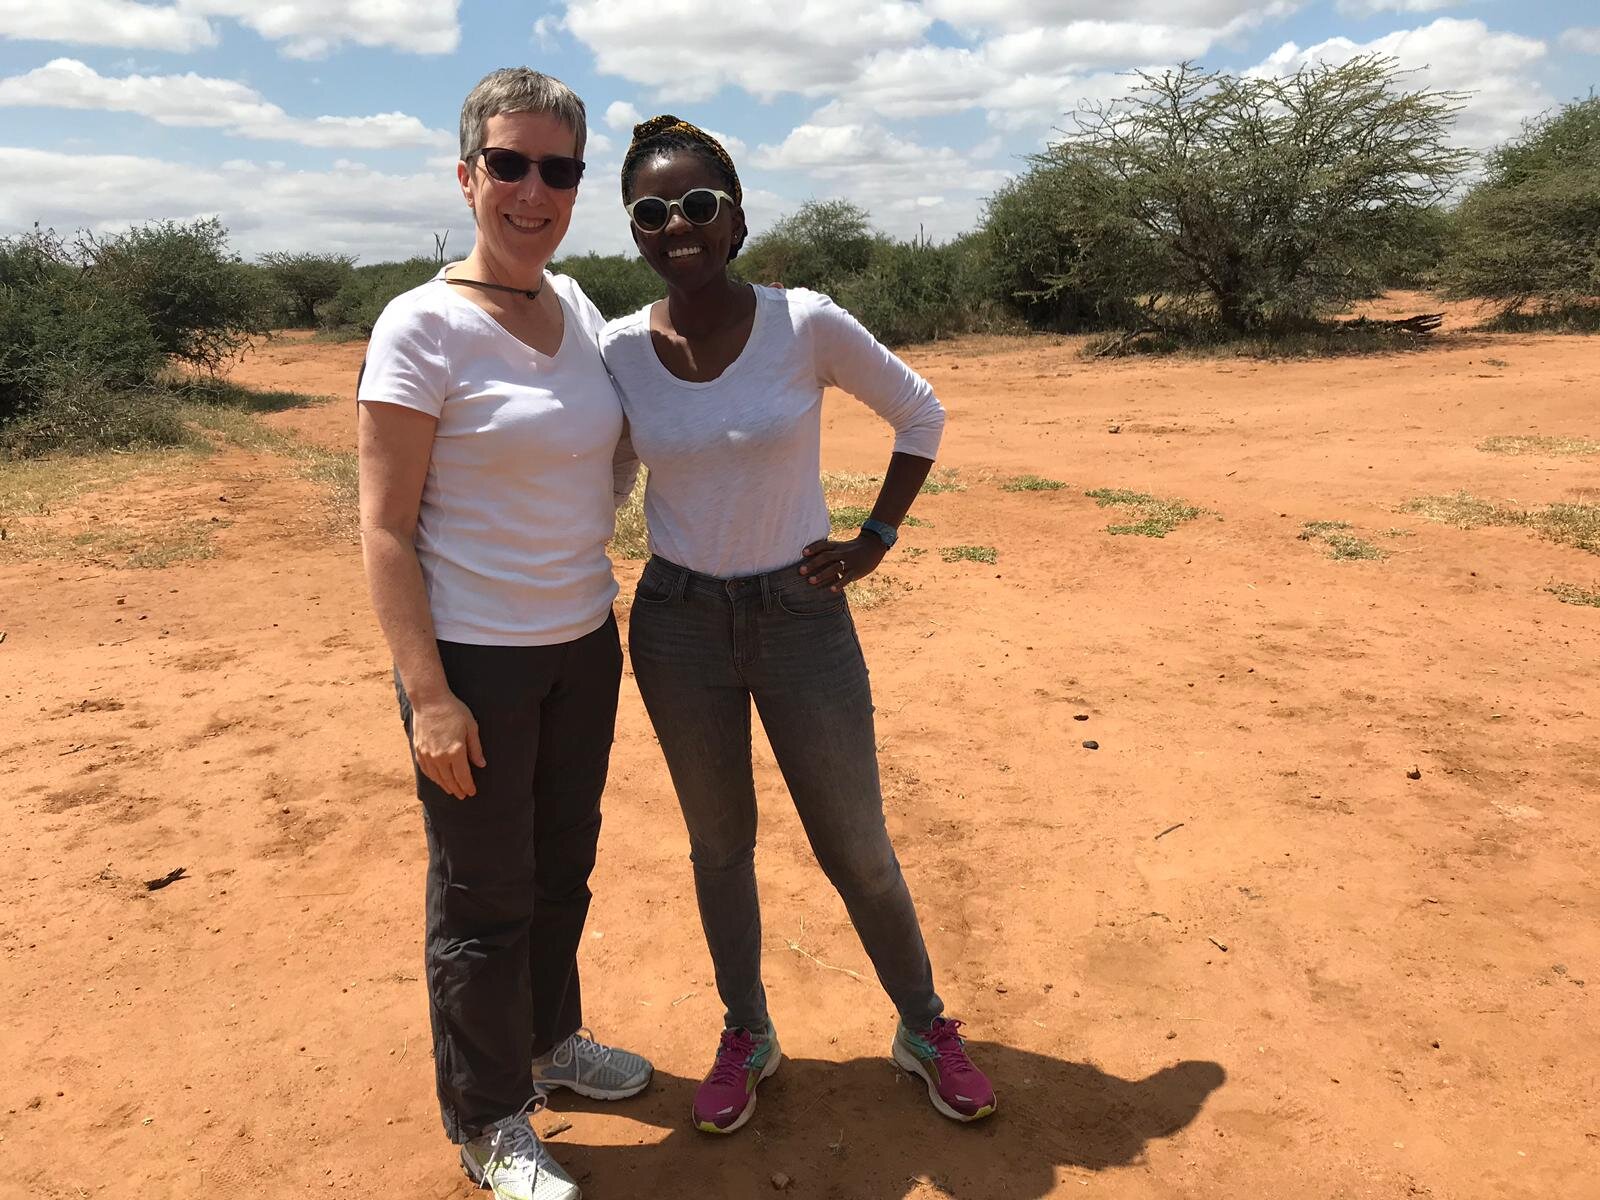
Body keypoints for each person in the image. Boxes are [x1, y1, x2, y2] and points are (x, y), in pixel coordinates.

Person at [599, 116, 997, 1136]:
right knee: (718, 847)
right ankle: (748, 1033)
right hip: (677, 624)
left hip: (799, 616)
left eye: (697, 204)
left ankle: (921, 1027)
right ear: (634, 231)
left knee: (855, 844)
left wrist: (875, 537)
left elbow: (920, 413)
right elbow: (602, 480)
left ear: (733, 217)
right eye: (652, 210)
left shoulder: (803, 322)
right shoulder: (616, 353)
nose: (675, 224)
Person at [357, 68, 649, 1200]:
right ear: (468, 173)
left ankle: (548, 1042)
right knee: (482, 897)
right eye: (511, 165)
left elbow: (620, 440)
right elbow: (383, 529)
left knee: (561, 868)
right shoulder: (420, 325)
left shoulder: (574, 307)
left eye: (559, 169)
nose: (534, 190)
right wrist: (428, 696)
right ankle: (487, 1121)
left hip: (583, 643)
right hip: (472, 659)